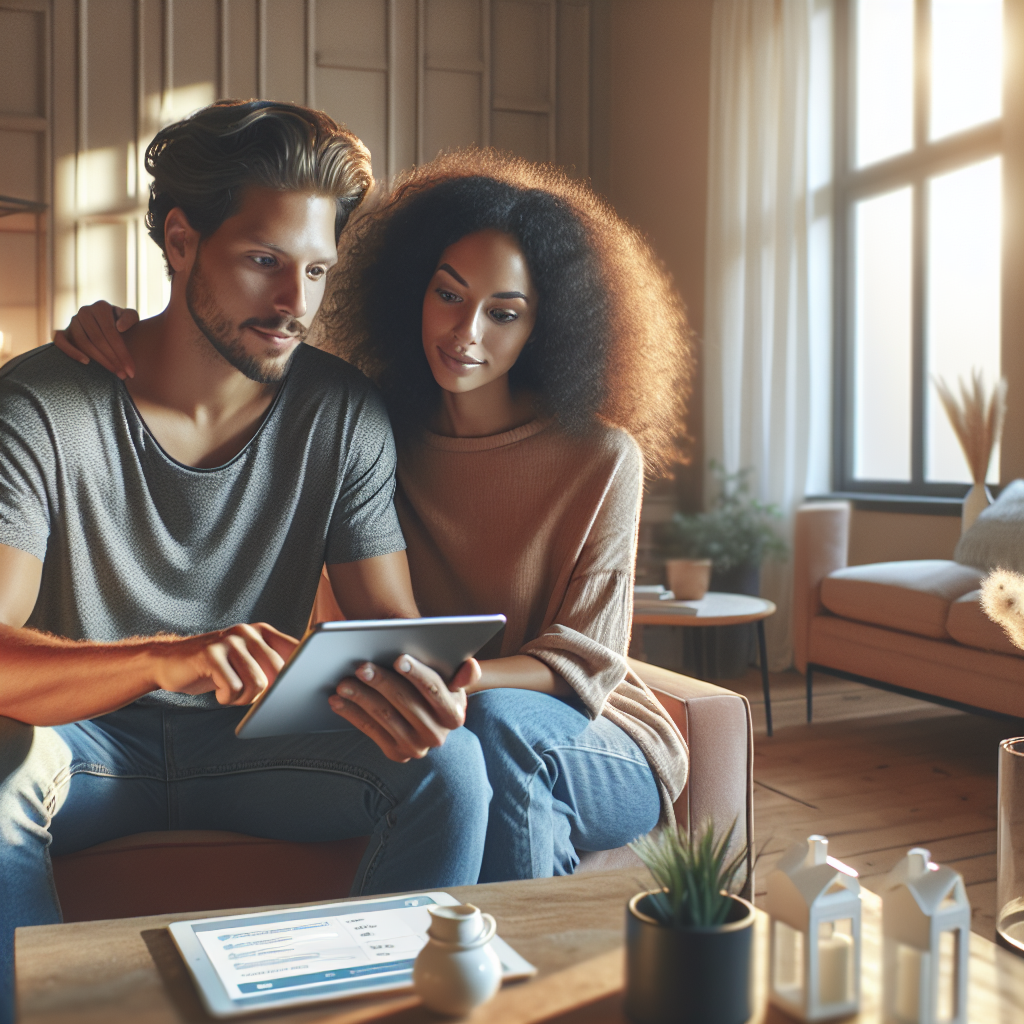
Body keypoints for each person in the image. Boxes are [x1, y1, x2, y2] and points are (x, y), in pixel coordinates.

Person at [64, 149, 695, 885]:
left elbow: (589, 662)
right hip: (441, 706)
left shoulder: (601, 457)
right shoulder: (373, 429)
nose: (468, 334)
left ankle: (507, 989)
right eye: (449, 296)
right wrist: (109, 327)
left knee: (490, 731)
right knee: (463, 749)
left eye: (505, 313)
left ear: (545, 327)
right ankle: (496, 965)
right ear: (412, 291)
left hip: (591, 737)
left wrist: (462, 682)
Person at [0, 101, 490, 1024]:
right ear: (181, 242)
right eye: (264, 261)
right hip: (85, 749)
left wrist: (424, 688)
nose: (294, 304)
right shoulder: (40, 404)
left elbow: (391, 630)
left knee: (449, 766)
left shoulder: (343, 415)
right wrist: (163, 657)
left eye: (314, 270)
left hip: (257, 744)